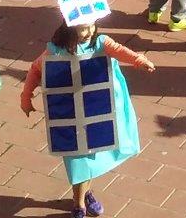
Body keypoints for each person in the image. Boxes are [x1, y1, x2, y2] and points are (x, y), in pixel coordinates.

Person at [20, 15, 155, 218]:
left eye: (92, 26)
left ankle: (84, 194)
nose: (89, 32)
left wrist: (139, 60)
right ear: (69, 28)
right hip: (70, 116)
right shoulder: (55, 51)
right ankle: (79, 203)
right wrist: (26, 97)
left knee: (92, 155)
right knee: (78, 160)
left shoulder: (100, 43)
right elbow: (36, 70)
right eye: (83, 28)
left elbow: (120, 51)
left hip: (97, 111)